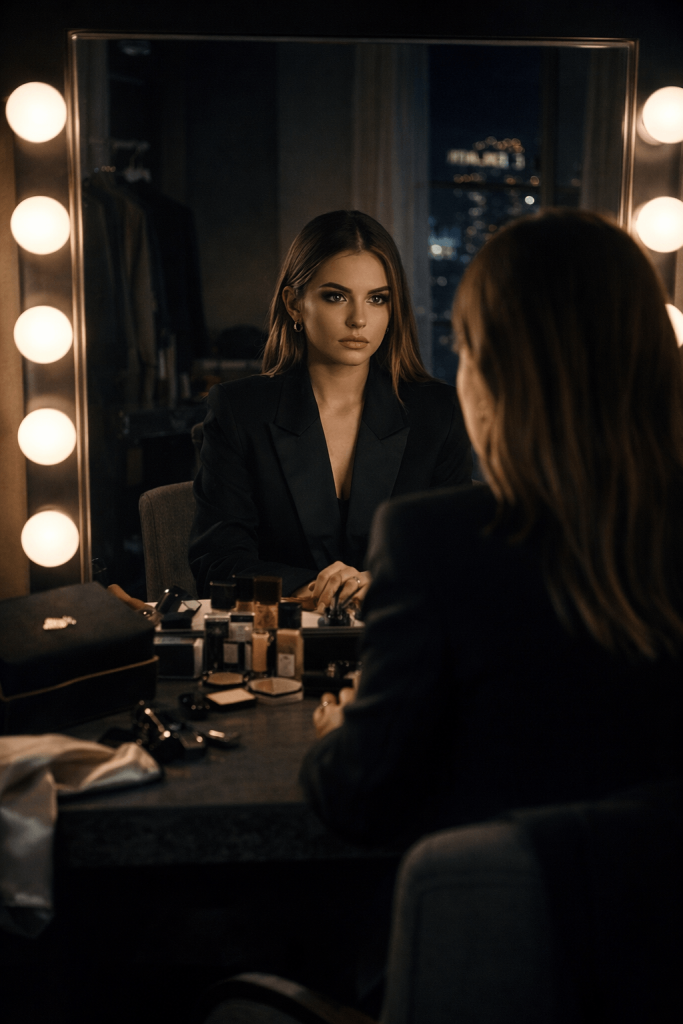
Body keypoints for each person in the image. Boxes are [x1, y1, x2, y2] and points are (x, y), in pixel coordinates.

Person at [300, 208, 683, 847]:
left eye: (465, 350)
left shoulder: (433, 543)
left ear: (493, 375)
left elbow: (356, 796)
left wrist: (346, 732)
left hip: (504, 905)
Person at [189, 210, 472, 606]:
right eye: (336, 296)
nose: (358, 319)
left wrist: (386, 582)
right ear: (294, 304)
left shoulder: (439, 413)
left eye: (377, 299)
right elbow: (217, 561)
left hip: (403, 630)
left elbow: (459, 555)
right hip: (282, 633)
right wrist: (312, 589)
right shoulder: (239, 411)